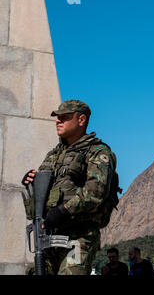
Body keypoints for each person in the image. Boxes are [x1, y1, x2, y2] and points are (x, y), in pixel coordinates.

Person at [22, 100, 117, 275]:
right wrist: (31, 180)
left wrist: (63, 210)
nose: (58, 121)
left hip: (79, 236)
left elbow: (95, 193)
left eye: (64, 117)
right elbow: (44, 191)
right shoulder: (54, 155)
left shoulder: (98, 152)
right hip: (49, 235)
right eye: (57, 118)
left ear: (81, 120)